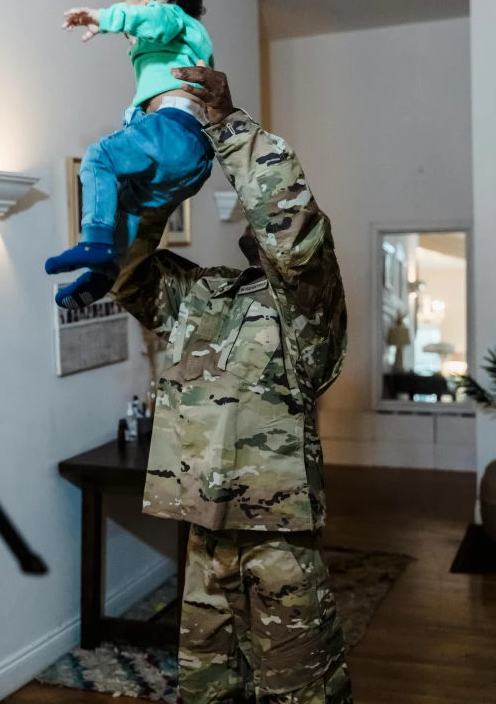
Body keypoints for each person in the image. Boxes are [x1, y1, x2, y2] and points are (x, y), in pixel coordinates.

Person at [114, 65, 352, 704]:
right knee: (208, 687)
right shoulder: (200, 293)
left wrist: (227, 124)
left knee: (301, 692)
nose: (264, 219)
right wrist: (155, 190)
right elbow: (127, 273)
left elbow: (293, 238)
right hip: (203, 532)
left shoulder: (309, 307)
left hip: (279, 543)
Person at [45, 0, 215, 309]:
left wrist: (105, 18)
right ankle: (106, 274)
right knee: (127, 205)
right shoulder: (178, 43)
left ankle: (94, 242)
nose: (127, 26)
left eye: (129, 6)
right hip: (190, 159)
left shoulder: (173, 18)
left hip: (172, 132)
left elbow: (153, 18)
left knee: (98, 157)